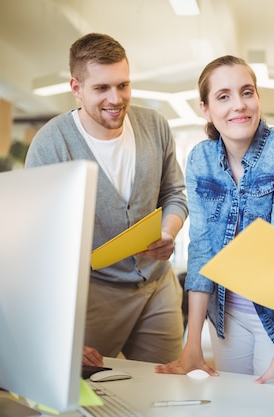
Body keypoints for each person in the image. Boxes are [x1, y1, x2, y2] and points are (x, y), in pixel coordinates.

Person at [154, 55, 274, 392]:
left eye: (247, 92)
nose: (239, 105)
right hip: (228, 315)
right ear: (205, 108)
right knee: (234, 405)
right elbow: (202, 249)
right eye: (224, 96)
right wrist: (192, 346)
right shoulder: (201, 159)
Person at [25, 33, 188, 366]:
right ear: (76, 87)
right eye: (101, 88)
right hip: (92, 294)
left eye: (123, 85)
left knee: (165, 389)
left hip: (158, 287)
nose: (116, 99)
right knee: (90, 394)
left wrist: (168, 232)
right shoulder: (51, 145)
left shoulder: (154, 125)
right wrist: (59, 330)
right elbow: (39, 242)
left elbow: (174, 193)